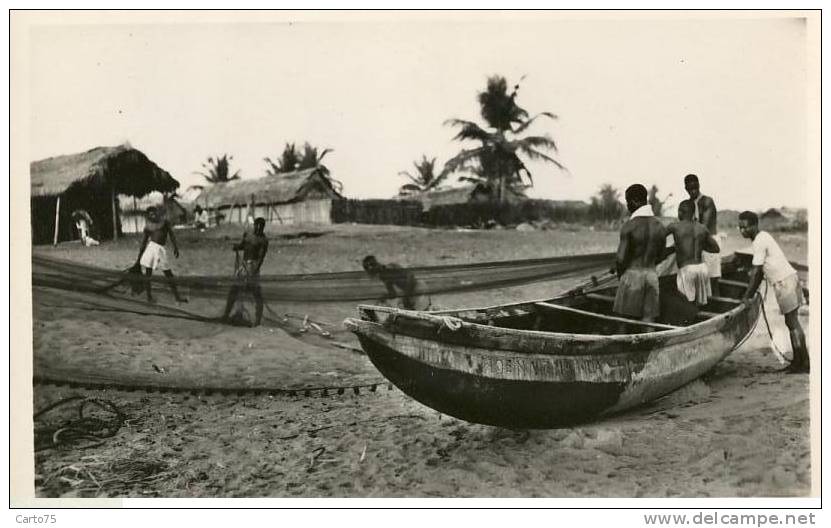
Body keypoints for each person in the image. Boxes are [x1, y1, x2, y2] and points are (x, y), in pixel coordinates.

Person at [738, 211, 808, 374]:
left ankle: (801, 364)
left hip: (785, 282)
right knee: (792, 323)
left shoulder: (760, 241)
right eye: (740, 227)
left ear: (754, 226)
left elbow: (756, 272)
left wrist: (747, 296)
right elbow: (760, 271)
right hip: (786, 280)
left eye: (745, 227)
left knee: (792, 323)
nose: (742, 231)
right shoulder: (761, 238)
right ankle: (801, 362)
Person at [613, 184, 667, 322]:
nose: (627, 205)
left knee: (623, 322)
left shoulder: (629, 226)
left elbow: (620, 259)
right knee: (648, 320)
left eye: (628, 201)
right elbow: (661, 256)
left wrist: (621, 277)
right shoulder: (660, 226)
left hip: (632, 275)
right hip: (651, 276)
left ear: (635, 201)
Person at [666, 200, 720, 306]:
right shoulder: (702, 228)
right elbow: (716, 249)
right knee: (699, 304)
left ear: (680, 212)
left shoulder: (675, 226)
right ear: (693, 213)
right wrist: (700, 246)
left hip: (687, 270)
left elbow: (657, 237)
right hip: (702, 269)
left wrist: (675, 248)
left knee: (685, 304)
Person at [222, 217, 269, 327]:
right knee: (234, 290)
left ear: (263, 227)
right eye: (256, 226)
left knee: (256, 293)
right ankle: (226, 315)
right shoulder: (248, 235)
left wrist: (253, 271)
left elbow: (260, 258)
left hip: (252, 267)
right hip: (243, 266)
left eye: (260, 227)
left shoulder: (263, 240)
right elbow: (242, 246)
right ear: (254, 225)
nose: (258, 228)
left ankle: (257, 321)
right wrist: (236, 247)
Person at [137, 206, 187, 303]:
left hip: (160, 250)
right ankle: (149, 297)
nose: (152, 215)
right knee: (148, 273)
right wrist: (139, 256)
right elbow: (144, 242)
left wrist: (175, 247)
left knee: (168, 273)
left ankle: (177, 297)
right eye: (150, 214)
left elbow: (171, 234)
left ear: (157, 213)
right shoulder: (148, 226)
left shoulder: (164, 222)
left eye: (154, 213)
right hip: (151, 249)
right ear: (148, 216)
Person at [682, 174, 721, 296]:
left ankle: (718, 307)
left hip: (710, 243)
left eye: (695, 187)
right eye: (689, 188)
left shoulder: (707, 201)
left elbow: (703, 227)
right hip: (695, 244)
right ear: (686, 188)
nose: (693, 190)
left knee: (712, 279)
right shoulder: (687, 204)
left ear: (699, 185)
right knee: (698, 280)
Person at [362, 255, 431, 311]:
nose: (371, 269)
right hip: (409, 293)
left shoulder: (391, 267)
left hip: (418, 288)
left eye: (373, 265)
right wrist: (384, 297)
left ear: (376, 264)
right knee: (403, 311)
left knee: (421, 313)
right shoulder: (383, 276)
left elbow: (410, 276)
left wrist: (406, 296)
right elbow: (393, 294)